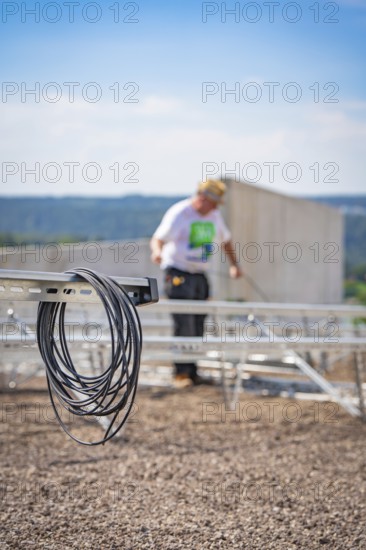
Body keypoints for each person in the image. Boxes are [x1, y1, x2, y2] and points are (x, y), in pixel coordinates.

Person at [150, 179, 242, 388]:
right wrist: (157, 252)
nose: (217, 207)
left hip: (200, 274)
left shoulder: (214, 216)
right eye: (213, 202)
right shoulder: (179, 213)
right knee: (184, 323)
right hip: (178, 273)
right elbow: (158, 238)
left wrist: (234, 264)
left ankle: (193, 371)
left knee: (199, 323)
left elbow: (226, 240)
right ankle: (181, 373)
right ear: (202, 198)